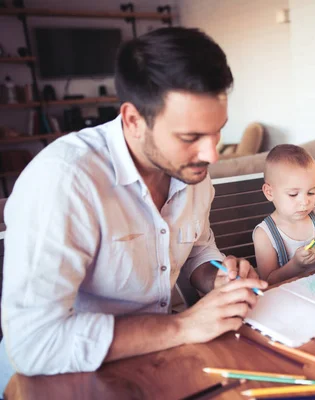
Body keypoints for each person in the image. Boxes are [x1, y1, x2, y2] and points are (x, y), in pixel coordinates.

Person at [0, 27, 267, 393]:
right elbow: (33, 344)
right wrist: (184, 325)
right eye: (190, 138)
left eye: (218, 131)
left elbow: (198, 249)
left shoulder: (192, 174)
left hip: (154, 361)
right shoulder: (64, 182)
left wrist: (215, 276)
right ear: (133, 121)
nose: (211, 155)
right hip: (56, 380)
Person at [253, 144, 315, 284]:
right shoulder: (265, 234)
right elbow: (268, 281)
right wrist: (296, 265)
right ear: (269, 192)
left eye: (311, 192)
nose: (305, 202)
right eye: (293, 194)